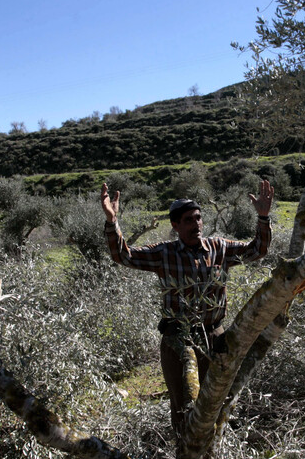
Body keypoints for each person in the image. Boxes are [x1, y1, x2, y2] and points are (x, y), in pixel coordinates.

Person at [101, 180, 273, 436]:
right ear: (175, 225)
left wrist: (263, 217)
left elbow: (258, 250)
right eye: (189, 220)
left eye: (199, 218)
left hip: (214, 337)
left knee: (216, 400)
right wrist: (112, 222)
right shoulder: (164, 253)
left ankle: (215, 454)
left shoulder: (219, 248)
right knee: (183, 405)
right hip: (177, 339)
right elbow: (123, 256)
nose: (197, 224)